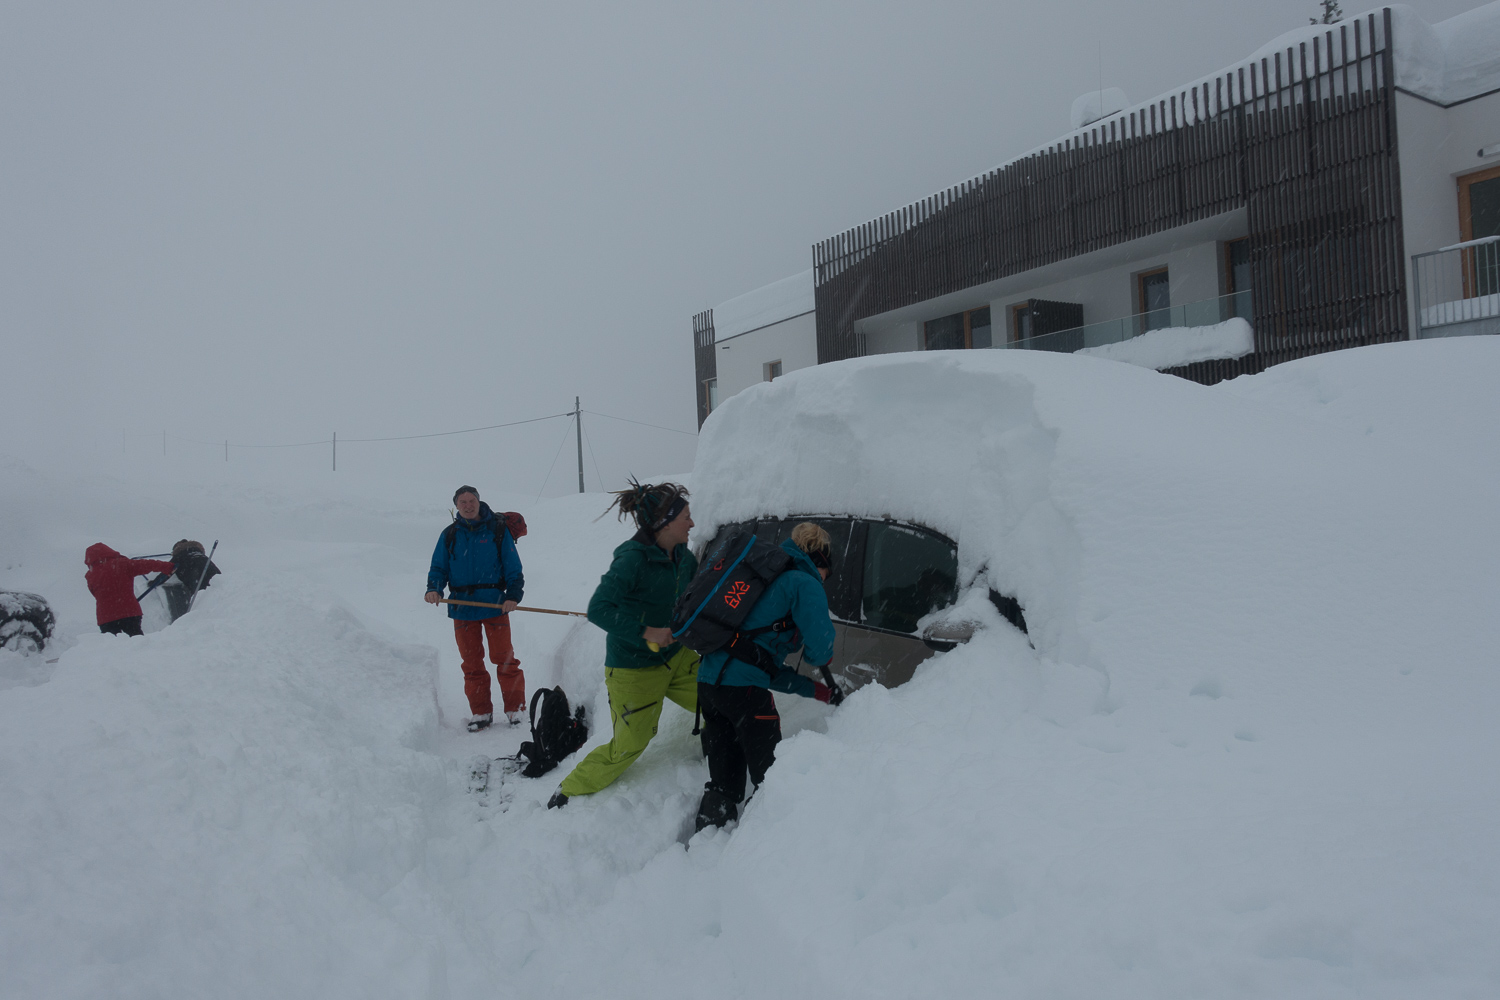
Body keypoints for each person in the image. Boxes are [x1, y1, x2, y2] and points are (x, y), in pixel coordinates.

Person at [548, 481, 698, 809]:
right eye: (686, 516)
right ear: (664, 522)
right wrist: (648, 631)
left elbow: (695, 592)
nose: (692, 523)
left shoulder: (683, 556)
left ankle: (724, 754)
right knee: (629, 745)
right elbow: (600, 608)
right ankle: (570, 789)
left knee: (719, 696)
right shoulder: (633, 559)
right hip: (634, 668)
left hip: (678, 657)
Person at [693, 522, 841, 832]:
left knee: (723, 782)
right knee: (772, 780)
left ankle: (708, 836)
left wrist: (817, 691)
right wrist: (822, 657)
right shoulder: (803, 583)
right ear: (821, 560)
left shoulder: (762, 576)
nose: (826, 579)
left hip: (709, 685)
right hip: (745, 693)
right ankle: (762, 852)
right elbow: (820, 647)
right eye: (829, 571)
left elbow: (758, 664)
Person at [425, 486, 526, 732]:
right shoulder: (449, 534)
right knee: (471, 663)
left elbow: (513, 567)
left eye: (472, 501)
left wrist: (513, 595)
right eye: (463, 502)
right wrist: (434, 589)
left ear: (479, 503)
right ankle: (481, 712)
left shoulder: (497, 530)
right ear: (456, 506)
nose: (468, 505)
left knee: (505, 660)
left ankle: (516, 709)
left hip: (494, 605)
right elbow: (439, 567)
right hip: (462, 608)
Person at [84, 544, 176, 637]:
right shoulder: (122, 564)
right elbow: (146, 564)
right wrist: (168, 567)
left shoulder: (90, 576)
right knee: (136, 643)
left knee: (112, 647)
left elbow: (95, 594)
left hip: (106, 618)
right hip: (129, 612)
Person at [146, 539, 221, 623]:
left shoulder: (179, 555)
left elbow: (168, 571)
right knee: (215, 593)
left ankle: (198, 621)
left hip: (194, 574)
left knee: (200, 598)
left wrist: (155, 582)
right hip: (210, 569)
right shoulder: (201, 555)